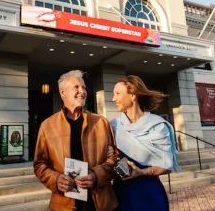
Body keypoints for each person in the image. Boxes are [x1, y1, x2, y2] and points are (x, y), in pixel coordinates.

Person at [34, 70, 120, 211]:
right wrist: (56, 179)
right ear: (63, 93)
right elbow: (40, 165)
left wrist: (96, 175)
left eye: (84, 88)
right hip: (64, 204)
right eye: (77, 87)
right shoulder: (47, 126)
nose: (82, 91)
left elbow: (116, 159)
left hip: (101, 203)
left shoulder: (102, 123)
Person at [107, 75, 180, 211]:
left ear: (133, 95)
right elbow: (113, 160)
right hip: (121, 193)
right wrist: (110, 156)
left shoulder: (158, 125)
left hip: (149, 192)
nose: (114, 99)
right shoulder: (113, 126)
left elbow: (167, 165)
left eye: (117, 94)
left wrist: (141, 172)